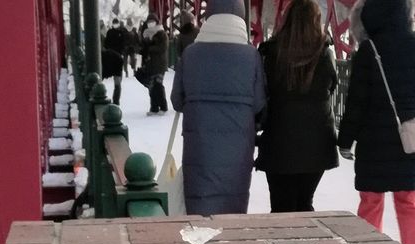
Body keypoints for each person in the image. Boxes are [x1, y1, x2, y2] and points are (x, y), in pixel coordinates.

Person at [337, 0, 415, 244]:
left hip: (374, 142)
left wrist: (345, 140)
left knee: (371, 201)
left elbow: (356, 103)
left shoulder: (368, 50)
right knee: (409, 203)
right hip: (411, 140)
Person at [170, 0, 266, 214]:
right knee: (233, 208)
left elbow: (177, 100)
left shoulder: (191, 54)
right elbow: (259, 103)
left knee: (199, 209)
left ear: (208, 17)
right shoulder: (251, 56)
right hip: (238, 147)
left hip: (199, 146)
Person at [255, 0, 339, 212]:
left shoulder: (270, 53)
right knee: (305, 201)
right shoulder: (325, 53)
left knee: (280, 205)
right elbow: (331, 87)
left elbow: (260, 93)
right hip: (317, 144)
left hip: (279, 140)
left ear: (286, 20)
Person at [140, 15, 170, 114]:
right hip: (150, 64)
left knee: (158, 85)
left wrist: (149, 48)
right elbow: (143, 48)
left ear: (156, 22)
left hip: (160, 63)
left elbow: (163, 47)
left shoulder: (162, 34)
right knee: (151, 86)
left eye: (152, 21)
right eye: (149, 22)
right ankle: (154, 107)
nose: (150, 24)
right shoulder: (145, 34)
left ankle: (163, 107)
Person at [102, 18, 127, 104]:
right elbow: (106, 43)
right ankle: (115, 101)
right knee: (117, 82)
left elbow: (123, 44)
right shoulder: (110, 32)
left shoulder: (121, 32)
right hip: (111, 57)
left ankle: (116, 100)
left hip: (116, 58)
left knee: (117, 83)